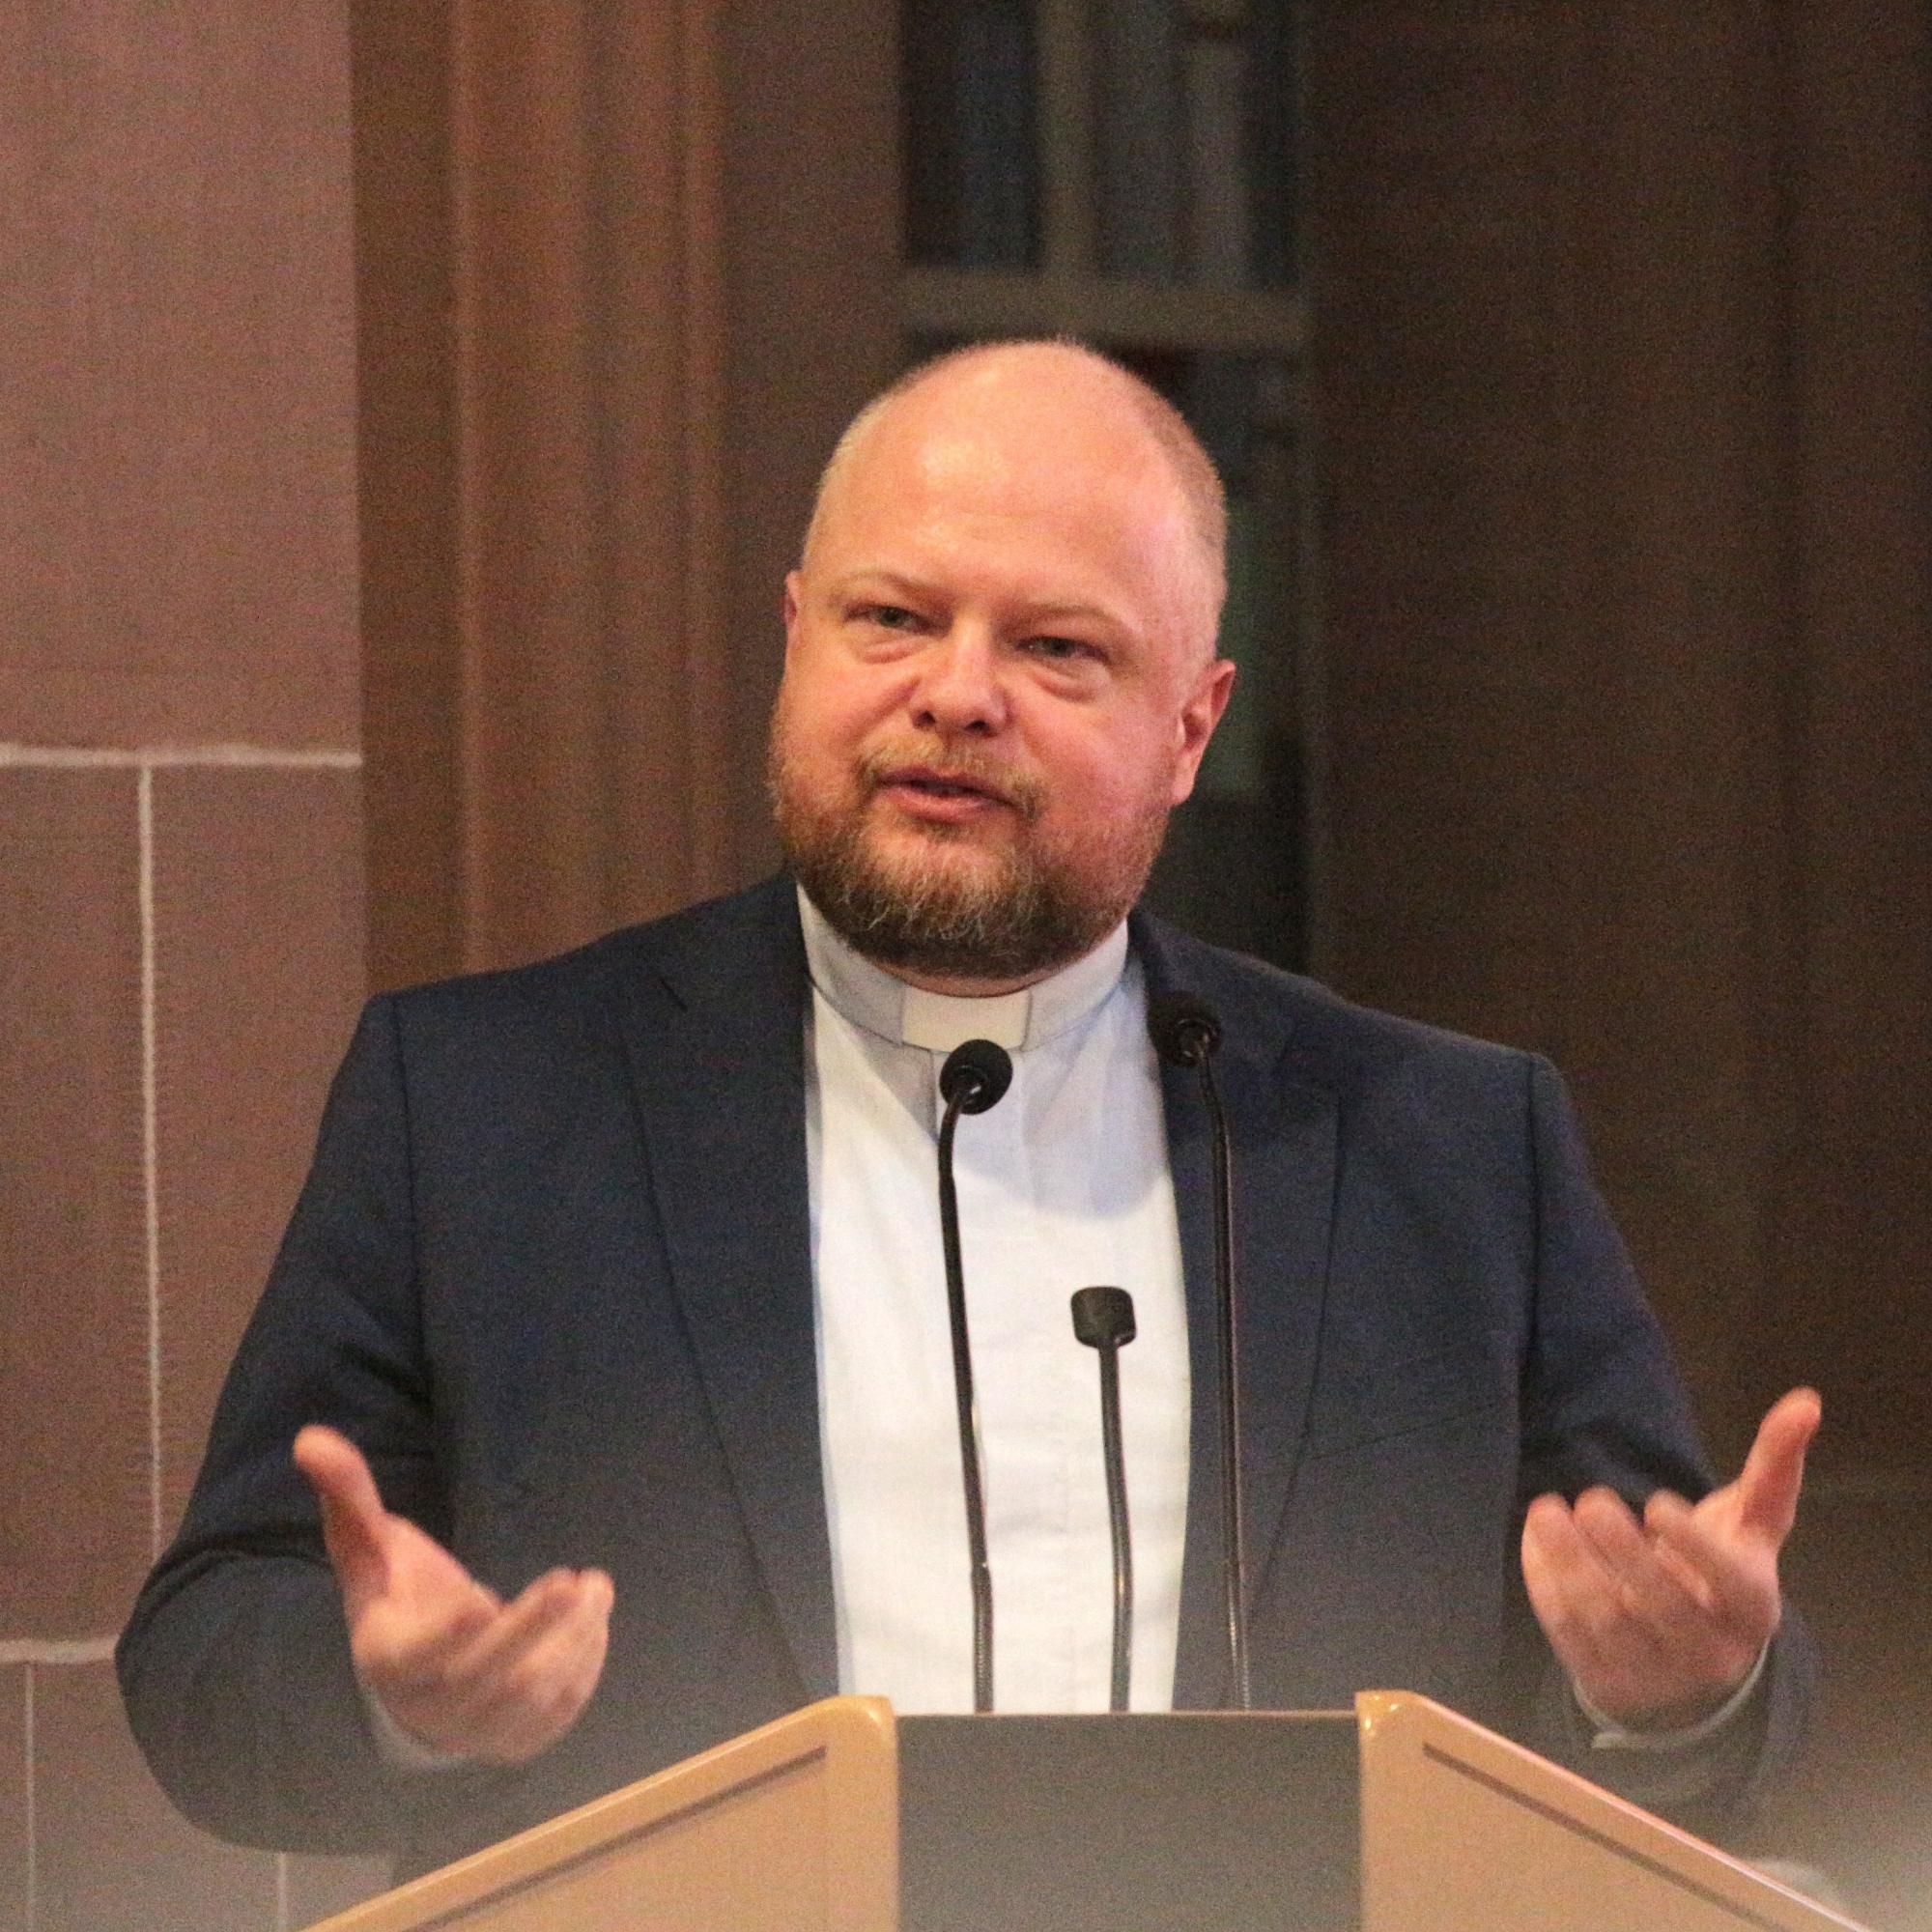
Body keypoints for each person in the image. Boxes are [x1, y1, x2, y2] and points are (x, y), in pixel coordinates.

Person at [118, 340, 1818, 1880]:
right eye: (894, 619)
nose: (956, 692)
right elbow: (207, 1659)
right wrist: (403, 1703)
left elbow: (1693, 1684)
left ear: (1190, 727)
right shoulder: (482, 1102)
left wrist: (1676, 1696)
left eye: (1057, 648)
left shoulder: (1447, 1149)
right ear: (795, 640)